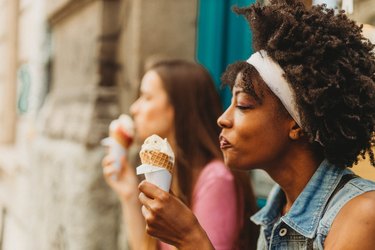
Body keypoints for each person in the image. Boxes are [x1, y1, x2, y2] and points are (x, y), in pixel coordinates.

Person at [137, 0, 375, 249]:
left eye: (243, 106)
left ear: (296, 124)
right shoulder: (278, 208)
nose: (223, 119)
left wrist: (191, 239)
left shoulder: (360, 214)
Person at [102, 59, 259, 250]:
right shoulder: (174, 175)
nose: (134, 108)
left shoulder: (216, 180)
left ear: (177, 108)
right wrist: (128, 195)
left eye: (147, 97)